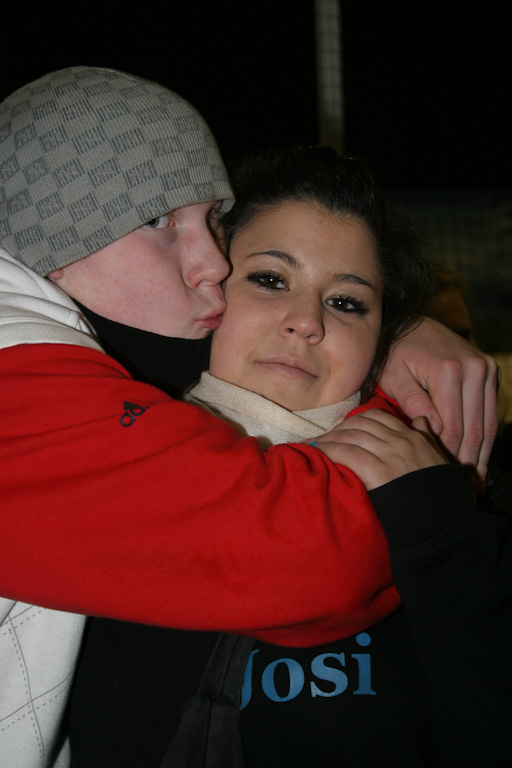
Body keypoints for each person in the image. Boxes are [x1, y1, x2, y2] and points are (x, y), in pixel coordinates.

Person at [0, 68, 499, 768]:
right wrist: (421, 490)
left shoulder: (471, 497)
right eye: (268, 279)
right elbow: (309, 545)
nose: (306, 322)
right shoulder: (84, 427)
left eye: (348, 303)